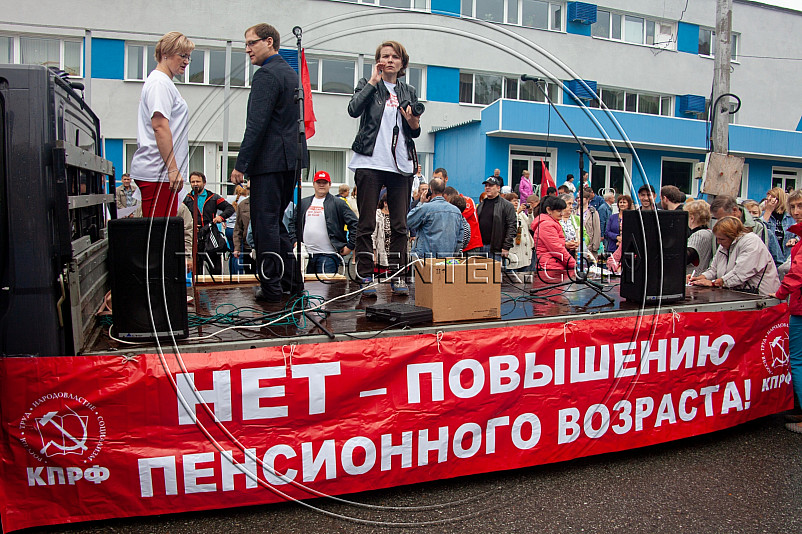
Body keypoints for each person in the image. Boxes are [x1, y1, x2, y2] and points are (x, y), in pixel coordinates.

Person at [230, 23, 307, 302]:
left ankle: (273, 287)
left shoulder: (266, 75)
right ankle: (292, 284)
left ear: (270, 41)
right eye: (246, 44)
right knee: (275, 224)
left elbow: (257, 124)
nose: (248, 49)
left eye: (252, 43)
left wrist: (242, 164)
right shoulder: (290, 74)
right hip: (290, 160)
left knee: (265, 226)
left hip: (270, 161)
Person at [348, 40, 421, 296]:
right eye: (384, 56)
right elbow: (353, 109)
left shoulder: (408, 90)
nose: (389, 60)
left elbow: (415, 131)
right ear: (378, 60)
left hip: (400, 165)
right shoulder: (368, 84)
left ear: (402, 63)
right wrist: (372, 82)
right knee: (367, 222)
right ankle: (366, 275)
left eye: (394, 57)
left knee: (400, 224)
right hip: (369, 161)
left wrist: (413, 120)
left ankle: (398, 276)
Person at [129, 31, 194, 217]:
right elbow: (160, 126)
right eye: (182, 55)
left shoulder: (163, 82)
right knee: (159, 237)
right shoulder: (159, 83)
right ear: (165, 53)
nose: (187, 61)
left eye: (188, 56)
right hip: (158, 172)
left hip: (160, 172)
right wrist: (172, 169)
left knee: (163, 235)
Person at [689, 216, 780, 297]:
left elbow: (740, 274)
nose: (718, 242)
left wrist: (714, 283)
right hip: (738, 294)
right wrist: (701, 278)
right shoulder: (724, 244)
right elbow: (714, 269)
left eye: (721, 239)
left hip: (761, 296)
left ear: (732, 236)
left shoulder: (751, 242)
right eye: (717, 239)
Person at [773, 189, 802, 433]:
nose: (796, 212)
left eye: (800, 206)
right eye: (793, 207)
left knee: (799, 361)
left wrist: (780, 294)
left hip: (800, 308)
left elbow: (797, 274)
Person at [293, 171, 358, 275]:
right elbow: (292, 223)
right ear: (313, 184)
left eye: (325, 182)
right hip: (306, 256)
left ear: (330, 184)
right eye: (319, 182)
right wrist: (294, 241)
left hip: (329, 256)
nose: (321, 185)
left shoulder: (339, 203)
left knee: (326, 289)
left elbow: (355, 223)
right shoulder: (303, 203)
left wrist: (350, 246)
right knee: (306, 288)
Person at [183, 171, 234, 275]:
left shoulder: (213, 197)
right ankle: (197, 290)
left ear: (204, 183)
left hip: (211, 235)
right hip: (194, 235)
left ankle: (216, 290)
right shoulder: (187, 199)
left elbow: (230, 208)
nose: (195, 184)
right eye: (193, 182)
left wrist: (221, 217)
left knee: (215, 268)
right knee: (196, 271)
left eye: (198, 181)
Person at [709, 195, 784, 265]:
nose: (719, 222)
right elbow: (716, 259)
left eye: (722, 218)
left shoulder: (757, 227)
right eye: (717, 219)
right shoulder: (718, 227)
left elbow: (757, 261)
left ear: (734, 210)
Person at [407, 177, 463, 258]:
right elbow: (459, 239)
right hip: (447, 258)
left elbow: (409, 221)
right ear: (443, 190)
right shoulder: (456, 211)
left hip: (426, 258)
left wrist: (421, 203)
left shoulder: (425, 208)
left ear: (431, 189)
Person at [531, 195, 577, 275]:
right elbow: (557, 249)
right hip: (551, 268)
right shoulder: (546, 225)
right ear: (549, 210)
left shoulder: (550, 223)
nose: (562, 214)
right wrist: (574, 264)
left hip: (552, 265)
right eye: (559, 211)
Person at [475, 176, 516, 264]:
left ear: (498, 188)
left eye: (491, 185)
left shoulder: (507, 205)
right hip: (480, 247)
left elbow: (511, 227)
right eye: (486, 186)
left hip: (496, 248)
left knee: (495, 276)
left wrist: (506, 246)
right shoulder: (481, 204)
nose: (487, 188)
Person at [444, 184, 483, 255]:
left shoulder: (467, 201)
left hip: (472, 244)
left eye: (446, 200)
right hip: (458, 245)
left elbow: (455, 216)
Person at [762, 187, 797, 261]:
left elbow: (799, 231)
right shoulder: (765, 215)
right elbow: (760, 230)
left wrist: (795, 239)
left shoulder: (790, 217)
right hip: (770, 259)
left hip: (787, 257)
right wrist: (768, 211)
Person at [684, 199, 716, 276]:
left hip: (693, 275)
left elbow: (686, 257)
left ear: (692, 218)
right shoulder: (709, 233)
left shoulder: (698, 235)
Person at [225, 183, 249, 275]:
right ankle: (238, 275)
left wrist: (225, 220)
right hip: (239, 229)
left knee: (233, 252)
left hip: (229, 229)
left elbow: (221, 211)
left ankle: (232, 274)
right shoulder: (244, 201)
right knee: (240, 254)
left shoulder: (229, 199)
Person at [577, 187, 601, 258]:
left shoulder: (593, 212)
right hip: (577, 245)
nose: (579, 199)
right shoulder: (573, 212)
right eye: (578, 198)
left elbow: (597, 230)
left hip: (589, 246)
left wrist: (595, 247)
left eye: (581, 197)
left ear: (587, 199)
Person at [232, 195, 254, 274]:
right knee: (249, 273)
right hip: (247, 246)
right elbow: (238, 228)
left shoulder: (267, 203)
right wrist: (237, 248)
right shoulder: (243, 204)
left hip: (264, 246)